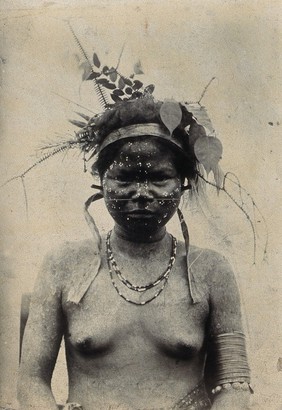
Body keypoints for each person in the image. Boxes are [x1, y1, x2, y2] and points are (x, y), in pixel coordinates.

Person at [17, 56, 252, 410]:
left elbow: (234, 386)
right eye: (124, 178)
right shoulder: (63, 265)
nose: (141, 193)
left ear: (183, 184)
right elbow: (31, 382)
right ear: (101, 181)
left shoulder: (211, 271)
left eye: (158, 178)